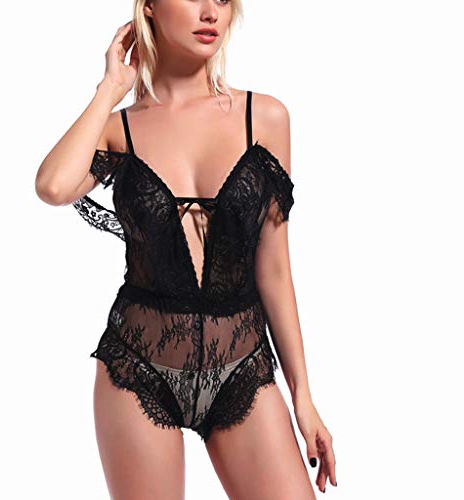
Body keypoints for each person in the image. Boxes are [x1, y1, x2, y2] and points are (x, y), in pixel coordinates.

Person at [35, 1, 336, 498]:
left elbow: (275, 270)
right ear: (150, 7)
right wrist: (110, 88)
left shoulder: (264, 118)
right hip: (138, 366)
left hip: (242, 365)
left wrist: (303, 397)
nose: (210, 12)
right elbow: (52, 186)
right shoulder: (117, 129)